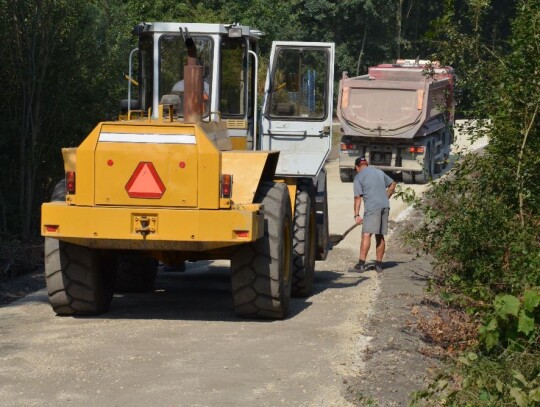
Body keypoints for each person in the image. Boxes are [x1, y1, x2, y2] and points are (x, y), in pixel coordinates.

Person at [352, 156, 396, 273]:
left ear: (357, 167)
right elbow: (392, 184)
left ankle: (361, 265)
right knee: (380, 235)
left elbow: (357, 198)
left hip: (372, 208)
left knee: (366, 234)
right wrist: (386, 198)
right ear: (366, 164)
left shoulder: (358, 177)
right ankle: (379, 265)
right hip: (385, 206)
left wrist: (356, 215)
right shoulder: (379, 171)